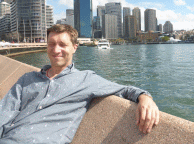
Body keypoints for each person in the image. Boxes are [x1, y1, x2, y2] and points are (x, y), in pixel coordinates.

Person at [0, 24, 159, 143]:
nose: (56, 50)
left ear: (75, 47)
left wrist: (145, 98)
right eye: (51, 44)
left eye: (62, 44)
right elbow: (4, 113)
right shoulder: (27, 79)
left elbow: (126, 90)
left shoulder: (86, 80)